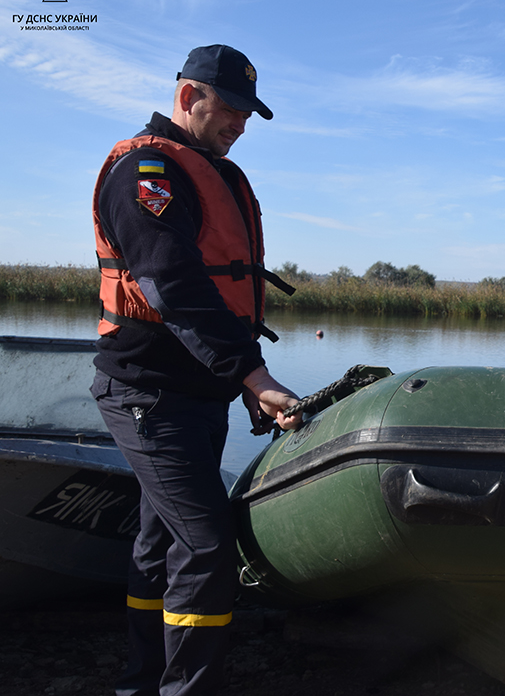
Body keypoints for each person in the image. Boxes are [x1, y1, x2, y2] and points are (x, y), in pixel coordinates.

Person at [90, 44, 303, 696]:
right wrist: (255, 375)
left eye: (248, 113)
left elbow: (216, 299)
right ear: (189, 97)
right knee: (207, 548)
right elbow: (171, 282)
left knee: (161, 545)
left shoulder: (203, 171)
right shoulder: (146, 173)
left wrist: (240, 387)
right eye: (232, 108)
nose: (242, 124)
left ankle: (141, 683)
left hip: (196, 392)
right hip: (147, 393)